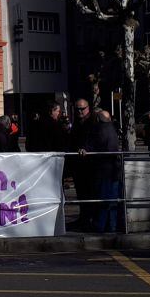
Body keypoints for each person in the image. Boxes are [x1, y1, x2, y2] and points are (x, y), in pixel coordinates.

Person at [85, 110, 120, 232]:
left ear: (98, 119)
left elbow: (92, 146)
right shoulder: (113, 129)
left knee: (103, 200)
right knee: (112, 201)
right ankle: (112, 226)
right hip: (114, 169)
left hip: (104, 170)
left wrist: (85, 150)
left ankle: (100, 226)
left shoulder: (98, 130)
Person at [68, 98, 95, 231]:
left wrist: (87, 148)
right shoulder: (77, 122)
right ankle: (84, 218)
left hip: (89, 165)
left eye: (82, 109)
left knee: (89, 193)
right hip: (78, 164)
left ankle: (89, 220)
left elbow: (95, 139)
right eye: (77, 109)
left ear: (88, 108)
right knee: (81, 193)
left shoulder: (92, 122)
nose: (80, 111)